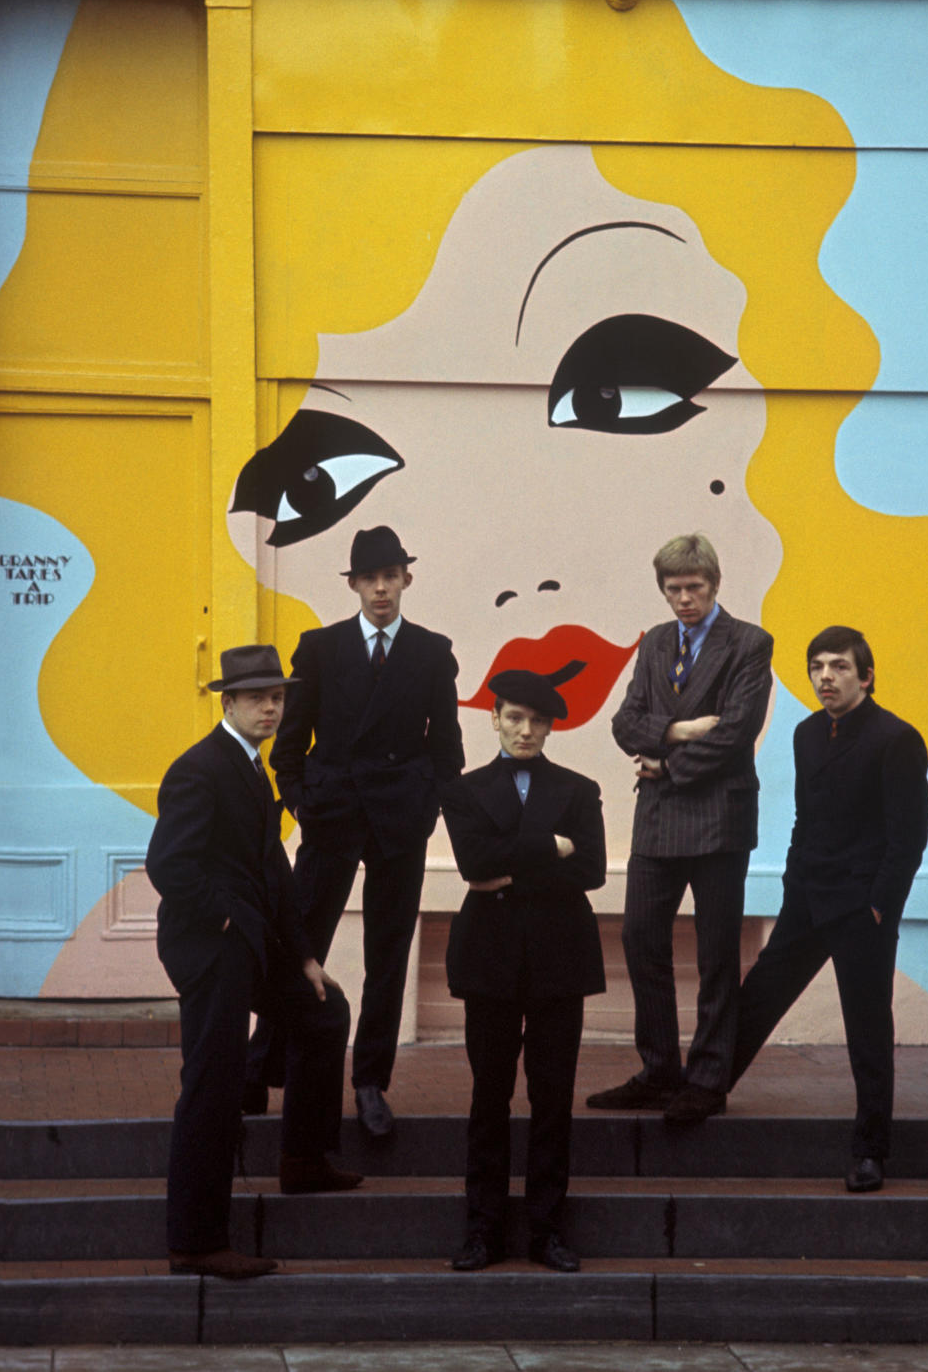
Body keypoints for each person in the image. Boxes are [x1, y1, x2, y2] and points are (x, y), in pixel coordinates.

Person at [146, 645, 360, 1281]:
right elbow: (170, 866)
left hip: (253, 941)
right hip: (210, 946)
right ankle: (196, 1241)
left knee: (324, 1011)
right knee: (213, 1083)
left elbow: (273, 870)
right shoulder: (199, 769)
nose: (272, 707)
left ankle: (303, 1160)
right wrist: (228, 918)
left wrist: (303, 956)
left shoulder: (251, 767)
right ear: (228, 702)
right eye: (258, 697)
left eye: (279, 697)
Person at [247, 525, 465, 1138]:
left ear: (406, 580)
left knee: (388, 957)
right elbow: (288, 748)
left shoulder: (430, 652)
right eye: (368, 579)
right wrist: (305, 803)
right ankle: (262, 1062)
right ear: (353, 585)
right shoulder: (320, 649)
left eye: (389, 577)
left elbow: (447, 750)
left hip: (400, 821)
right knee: (299, 945)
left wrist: (428, 809)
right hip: (332, 818)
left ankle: (371, 1082)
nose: (379, 589)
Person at [730, 626, 928, 1193]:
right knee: (758, 995)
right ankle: (706, 1090)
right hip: (809, 897)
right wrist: (795, 880)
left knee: (867, 1029)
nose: (825, 677)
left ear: (865, 676)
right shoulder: (806, 733)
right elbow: (805, 817)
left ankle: (871, 1152)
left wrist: (880, 908)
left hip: (861, 908)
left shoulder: (896, 738)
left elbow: (908, 836)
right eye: (818, 666)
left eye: (839, 666)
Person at [588, 534, 773, 1125]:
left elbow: (738, 730)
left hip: (720, 820)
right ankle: (659, 1069)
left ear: (714, 584)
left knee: (717, 953)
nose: (684, 599)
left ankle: (709, 1077)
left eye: (694, 587)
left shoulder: (749, 643)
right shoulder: (656, 642)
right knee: (641, 939)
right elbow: (624, 723)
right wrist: (680, 730)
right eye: (674, 589)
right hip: (659, 821)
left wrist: (668, 762)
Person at [442, 669, 606, 1273]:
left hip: (560, 957)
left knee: (553, 1097)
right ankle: (481, 1228)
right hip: (488, 956)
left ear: (551, 727)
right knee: (489, 1095)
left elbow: (590, 870)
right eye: (515, 717)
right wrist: (552, 846)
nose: (527, 730)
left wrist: (518, 859)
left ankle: (547, 1230)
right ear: (494, 718)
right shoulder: (463, 790)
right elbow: (473, 862)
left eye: (538, 721)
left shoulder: (579, 788)